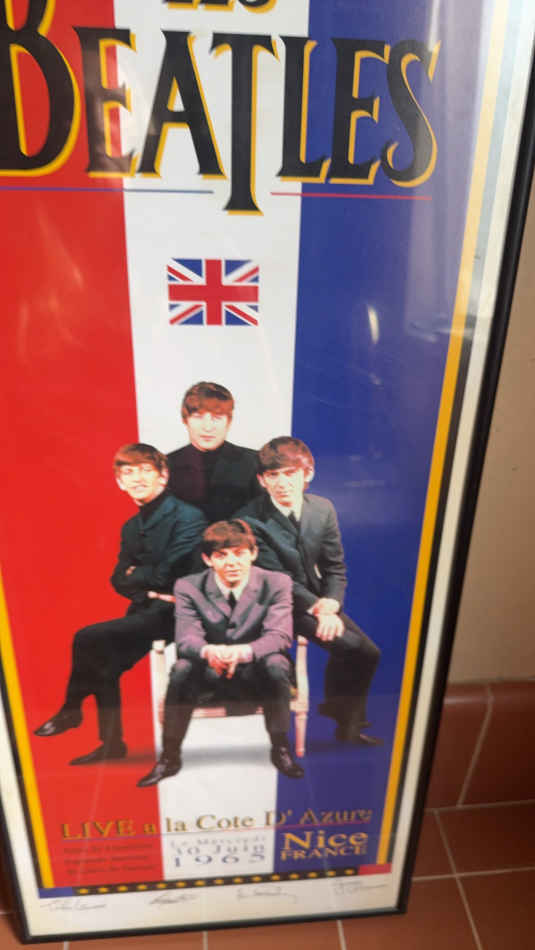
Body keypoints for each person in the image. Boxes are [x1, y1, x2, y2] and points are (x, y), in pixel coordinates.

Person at [35, 444, 207, 764]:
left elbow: (167, 572)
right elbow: (117, 579)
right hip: (149, 608)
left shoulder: (188, 517)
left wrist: (140, 577)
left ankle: (71, 710)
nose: (137, 478)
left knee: (87, 636)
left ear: (163, 476)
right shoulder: (131, 527)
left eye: (145, 470)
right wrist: (147, 589)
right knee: (105, 665)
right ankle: (112, 744)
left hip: (181, 612)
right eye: (128, 472)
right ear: (119, 482)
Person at [237, 437, 381, 745]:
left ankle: (340, 712)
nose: (282, 483)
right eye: (273, 475)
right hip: (273, 604)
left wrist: (331, 603)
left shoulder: (322, 509)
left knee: (368, 652)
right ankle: (348, 724)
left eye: (290, 473)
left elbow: (334, 567)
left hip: (317, 600)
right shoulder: (249, 519)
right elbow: (278, 579)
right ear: (262, 480)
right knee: (350, 647)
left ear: (308, 473)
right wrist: (319, 609)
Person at [137, 519, 303, 786]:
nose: (232, 562)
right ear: (207, 559)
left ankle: (280, 748)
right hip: (210, 678)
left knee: (276, 663)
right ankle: (169, 757)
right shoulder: (188, 586)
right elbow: (186, 639)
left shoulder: (276, 582)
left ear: (253, 554)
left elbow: (279, 636)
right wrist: (209, 651)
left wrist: (242, 652)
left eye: (239, 553)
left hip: (257, 678)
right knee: (182, 668)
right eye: (221, 555)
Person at [166, 381, 261, 522]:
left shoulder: (253, 461)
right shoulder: (166, 465)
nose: (208, 427)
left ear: (229, 421)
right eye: (198, 417)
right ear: (185, 420)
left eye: (216, 418)